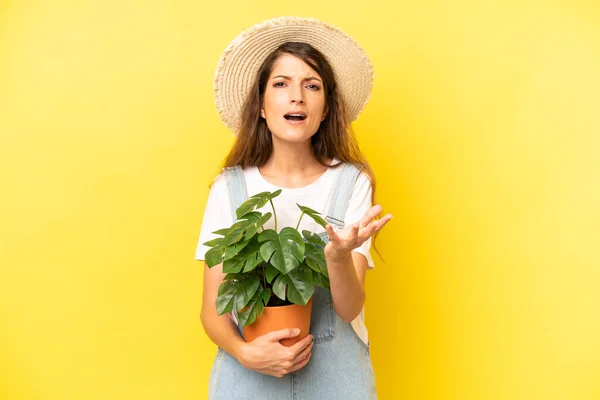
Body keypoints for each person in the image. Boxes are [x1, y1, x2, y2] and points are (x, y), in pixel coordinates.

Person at [195, 16, 393, 399]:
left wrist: (337, 257)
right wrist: (245, 352)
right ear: (262, 107)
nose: (297, 96)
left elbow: (349, 309)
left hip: (336, 380)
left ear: (325, 109)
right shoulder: (229, 188)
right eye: (281, 84)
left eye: (312, 86)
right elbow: (211, 309)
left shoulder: (351, 183)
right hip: (248, 376)